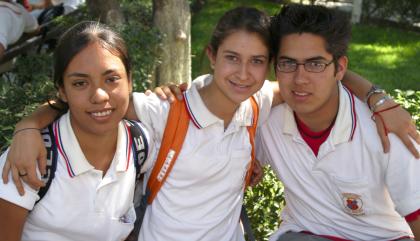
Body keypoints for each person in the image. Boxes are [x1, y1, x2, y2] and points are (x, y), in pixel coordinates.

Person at [2, 6, 419, 241]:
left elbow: (323, 76)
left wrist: (377, 96)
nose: (243, 73)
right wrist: (28, 126)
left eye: (257, 61)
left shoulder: (262, 103)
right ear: (210, 56)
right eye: (232, 59)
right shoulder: (163, 110)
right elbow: (92, 101)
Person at [256, 4, 420, 240]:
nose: (300, 79)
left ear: (340, 67)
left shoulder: (387, 131)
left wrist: (377, 98)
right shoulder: (265, 120)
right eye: (288, 63)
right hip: (303, 234)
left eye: (315, 64)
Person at [0, 21, 155, 241]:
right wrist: (28, 126)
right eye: (80, 83)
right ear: (62, 90)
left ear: (130, 81)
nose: (99, 96)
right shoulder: (30, 160)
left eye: (111, 79)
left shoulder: (142, 144)